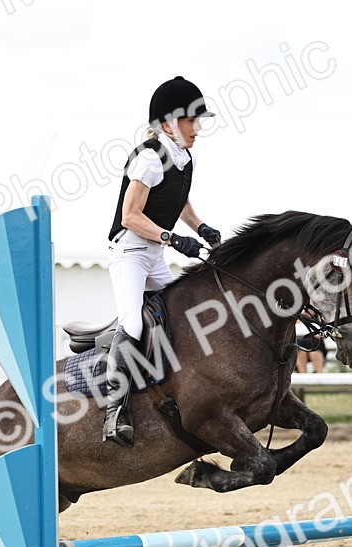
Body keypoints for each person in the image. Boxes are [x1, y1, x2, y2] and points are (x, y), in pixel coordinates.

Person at [103, 76, 222, 447]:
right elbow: (130, 216)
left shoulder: (183, 158)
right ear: (169, 122)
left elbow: (178, 201)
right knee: (134, 325)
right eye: (191, 121)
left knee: (179, 316)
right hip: (130, 255)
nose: (197, 129)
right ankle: (114, 412)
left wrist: (201, 228)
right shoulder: (148, 158)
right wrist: (173, 238)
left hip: (153, 254)